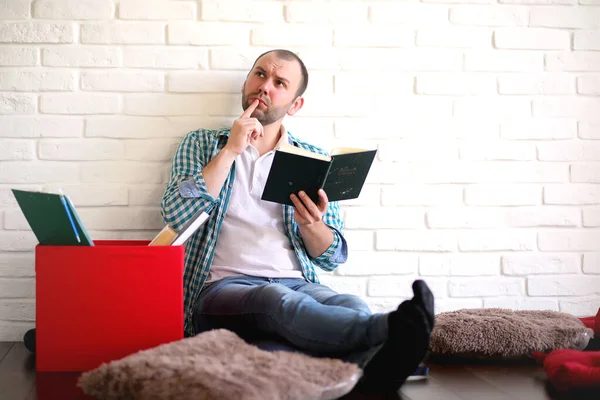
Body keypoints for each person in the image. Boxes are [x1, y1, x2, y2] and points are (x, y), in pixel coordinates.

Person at [160, 49, 435, 393]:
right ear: (246, 82)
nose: (265, 86)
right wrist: (230, 150)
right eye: (259, 75)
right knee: (275, 300)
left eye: (279, 83)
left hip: (297, 282)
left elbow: (331, 257)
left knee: (349, 304)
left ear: (295, 105)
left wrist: (312, 225)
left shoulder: (312, 160)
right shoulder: (203, 143)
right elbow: (176, 215)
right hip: (221, 289)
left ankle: (371, 370)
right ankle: (393, 331)